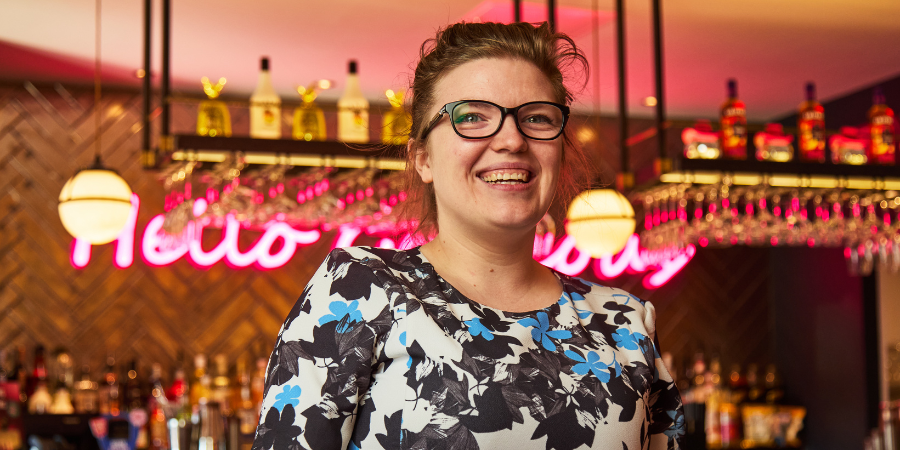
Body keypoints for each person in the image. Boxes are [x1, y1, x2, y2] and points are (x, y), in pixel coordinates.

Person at [252, 21, 684, 450]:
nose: (512, 140)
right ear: (422, 158)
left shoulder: (626, 323)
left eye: (536, 117)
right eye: (473, 117)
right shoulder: (356, 291)